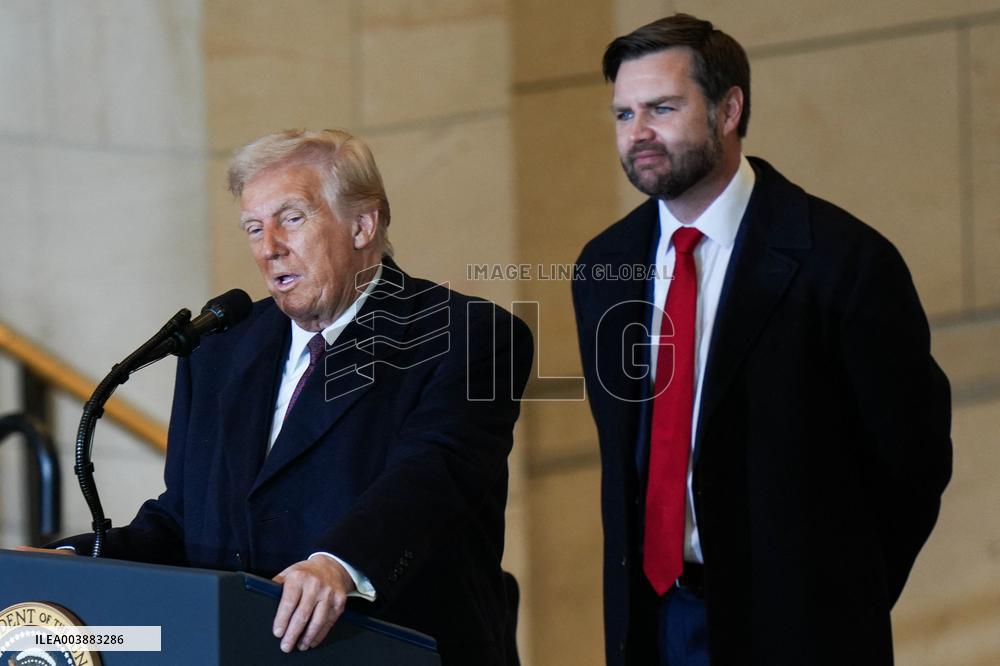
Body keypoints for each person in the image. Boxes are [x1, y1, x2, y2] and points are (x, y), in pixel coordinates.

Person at [45, 129, 533, 665]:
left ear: (363, 225)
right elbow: (185, 520)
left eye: (291, 219)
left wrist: (338, 564)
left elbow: (432, 478)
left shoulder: (465, 336)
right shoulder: (221, 348)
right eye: (254, 228)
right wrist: (72, 562)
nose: (268, 247)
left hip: (386, 647)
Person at [571, 14, 952, 666]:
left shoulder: (843, 261)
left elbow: (912, 463)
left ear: (729, 109)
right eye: (624, 114)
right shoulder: (603, 266)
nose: (638, 133)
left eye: (662, 108)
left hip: (802, 630)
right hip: (655, 625)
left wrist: (838, 599)